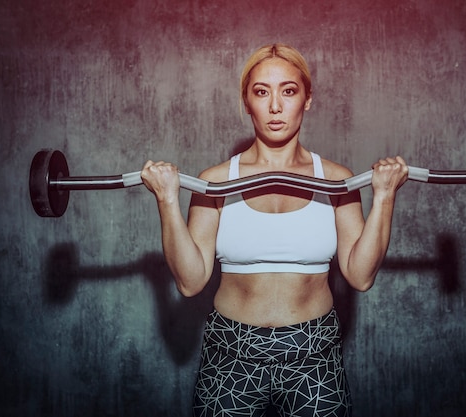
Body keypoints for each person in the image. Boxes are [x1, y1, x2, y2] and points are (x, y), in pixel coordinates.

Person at [141, 43, 408, 417]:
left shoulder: (336, 180)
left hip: (314, 353)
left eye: (289, 90)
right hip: (231, 353)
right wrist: (167, 201)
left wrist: (384, 197)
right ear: (247, 102)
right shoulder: (215, 182)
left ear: (308, 99)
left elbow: (360, 276)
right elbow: (190, 281)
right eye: (261, 92)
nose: (275, 106)